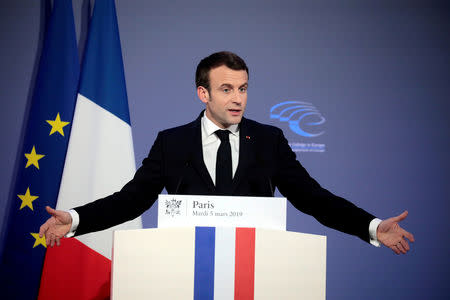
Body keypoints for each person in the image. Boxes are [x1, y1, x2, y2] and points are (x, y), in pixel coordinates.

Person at [39, 51, 414, 255]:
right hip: (183, 269)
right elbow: (132, 200)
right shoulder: (172, 142)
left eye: (244, 88)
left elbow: (312, 197)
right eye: (226, 89)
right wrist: (74, 219)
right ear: (203, 93)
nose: (238, 98)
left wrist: (371, 226)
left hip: (255, 271)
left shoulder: (269, 140)